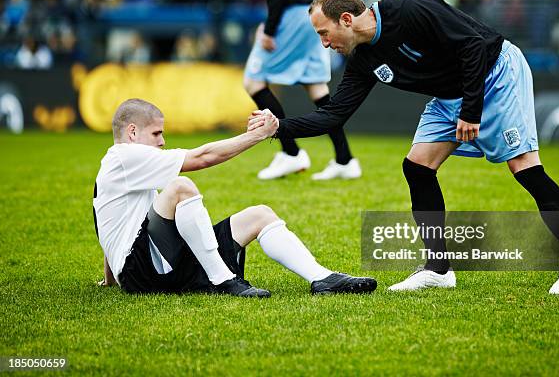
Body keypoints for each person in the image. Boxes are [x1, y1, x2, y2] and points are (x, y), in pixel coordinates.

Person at [250, 0, 559, 294]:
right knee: (416, 167)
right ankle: (438, 269)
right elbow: (333, 115)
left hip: (496, 73)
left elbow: (473, 45)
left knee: (525, 169)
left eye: (324, 33)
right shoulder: (363, 60)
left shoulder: (407, 8)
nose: (324, 43)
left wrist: (471, 111)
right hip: (450, 96)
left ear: (346, 19)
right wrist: (277, 127)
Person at [94, 98, 377, 297]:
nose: (162, 141)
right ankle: (224, 280)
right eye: (157, 133)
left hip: (158, 267)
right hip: (142, 274)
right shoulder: (122, 156)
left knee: (260, 215)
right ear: (132, 132)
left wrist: (110, 279)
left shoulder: (123, 167)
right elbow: (203, 157)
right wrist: (257, 135)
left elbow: (108, 224)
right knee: (180, 187)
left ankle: (321, 278)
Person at [243, 0, 361, 180]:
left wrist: (269, 29)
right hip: (307, 14)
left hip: (290, 16)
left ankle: (291, 152)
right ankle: (345, 159)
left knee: (253, 82)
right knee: (316, 87)